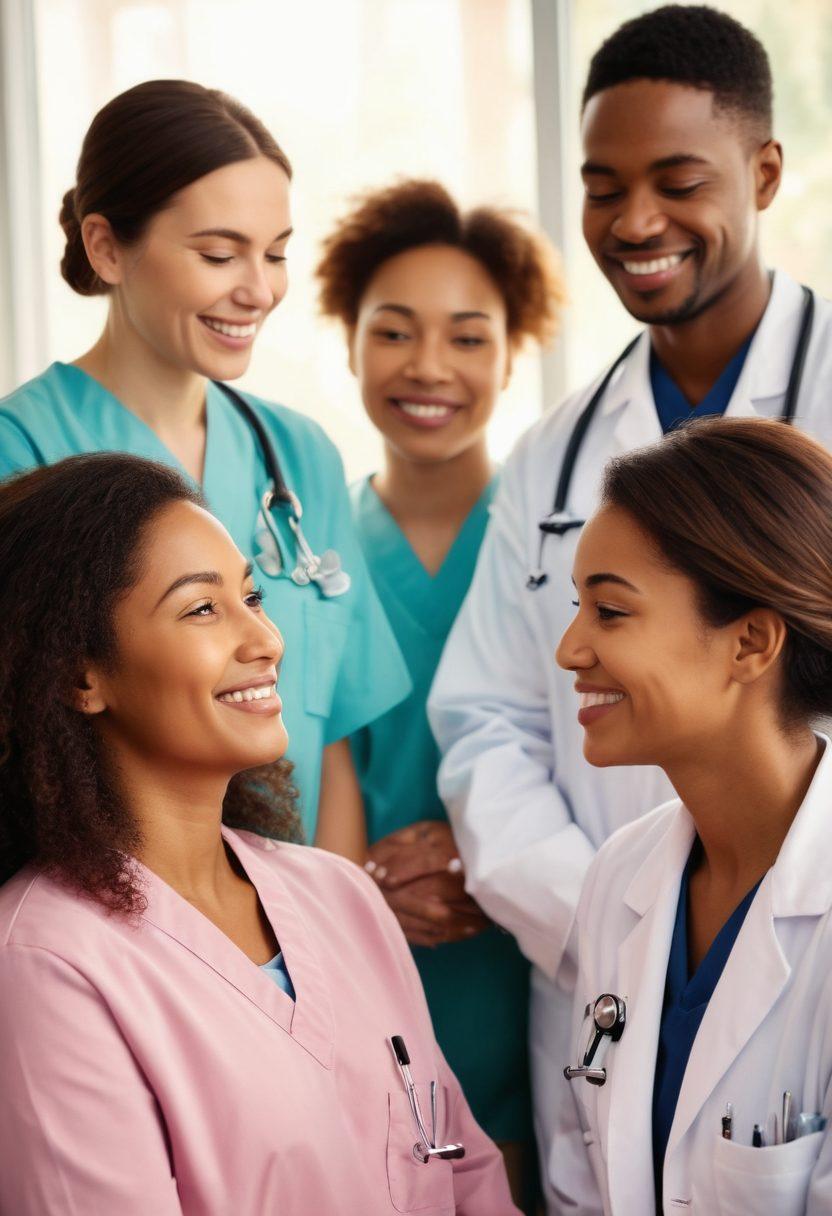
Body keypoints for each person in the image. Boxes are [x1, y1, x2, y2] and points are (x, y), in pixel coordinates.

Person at [427, 7, 832, 1204]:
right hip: (610, 970)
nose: (634, 220)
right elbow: (489, 719)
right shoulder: (556, 457)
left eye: (675, 179)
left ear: (763, 171)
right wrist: (622, 919)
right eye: (602, 186)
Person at [0, 451, 518, 1216]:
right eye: (203, 609)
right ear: (81, 675)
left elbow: (466, 1171)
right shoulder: (46, 965)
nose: (267, 640)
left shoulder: (339, 896)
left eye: (252, 596)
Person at [0, 79, 409, 847]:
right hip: (105, 926)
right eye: (220, 253)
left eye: (277, 253)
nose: (259, 289)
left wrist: (333, 923)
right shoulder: (19, 454)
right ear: (106, 247)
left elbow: (330, 740)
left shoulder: (298, 458)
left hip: (292, 919)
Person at [316, 178, 565, 1211]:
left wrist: (497, 857)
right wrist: (355, 880)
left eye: (468, 337)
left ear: (512, 354)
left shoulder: (564, 542)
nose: (428, 368)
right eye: (394, 332)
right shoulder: (301, 546)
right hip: (352, 953)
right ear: (349, 342)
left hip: (531, 953)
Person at [555, 416, 832, 1214]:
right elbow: (588, 1181)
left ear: (749, 643)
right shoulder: (622, 877)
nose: (570, 649)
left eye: (609, 613)